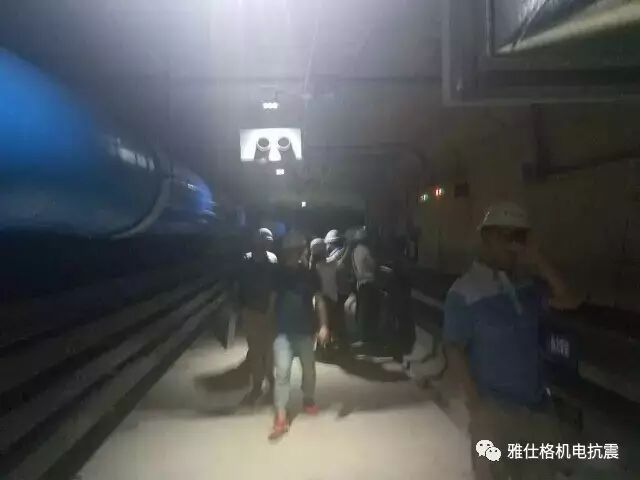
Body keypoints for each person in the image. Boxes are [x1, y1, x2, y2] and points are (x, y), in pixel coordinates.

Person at [443, 202, 582, 480]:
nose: (513, 246)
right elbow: (453, 349)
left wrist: (539, 259)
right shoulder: (464, 291)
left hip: (537, 410)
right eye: (506, 236)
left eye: (520, 237)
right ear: (487, 237)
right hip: (495, 414)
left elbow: (570, 300)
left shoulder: (526, 287)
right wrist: (476, 406)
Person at [270, 230, 330, 440]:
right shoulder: (278, 274)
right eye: (290, 250)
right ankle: (280, 415)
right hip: (282, 333)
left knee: (309, 371)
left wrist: (324, 325)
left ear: (301, 251)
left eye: (296, 250)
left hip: (305, 332)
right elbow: (272, 301)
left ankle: (308, 399)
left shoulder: (310, 274)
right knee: (282, 373)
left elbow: (319, 301)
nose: (293, 254)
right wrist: (268, 326)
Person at [237, 227, 278, 405]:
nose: (266, 245)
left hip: (268, 311)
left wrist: (272, 309)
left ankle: (270, 378)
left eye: (268, 242)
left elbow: (275, 287)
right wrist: (242, 309)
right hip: (251, 311)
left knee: (269, 349)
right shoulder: (245, 261)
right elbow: (239, 286)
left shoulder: (273, 260)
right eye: (264, 242)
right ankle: (258, 383)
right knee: (255, 350)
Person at [352, 227, 379, 345]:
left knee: (361, 311)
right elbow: (372, 265)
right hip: (368, 283)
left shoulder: (354, 251)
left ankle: (362, 336)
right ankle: (367, 338)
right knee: (368, 312)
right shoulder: (365, 250)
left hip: (360, 284)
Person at [325, 229, 351, 348]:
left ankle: (340, 343)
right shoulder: (343, 252)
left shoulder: (336, 255)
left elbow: (330, 263)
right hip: (343, 291)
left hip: (338, 292)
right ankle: (341, 342)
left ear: (331, 243)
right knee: (339, 318)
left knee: (337, 318)